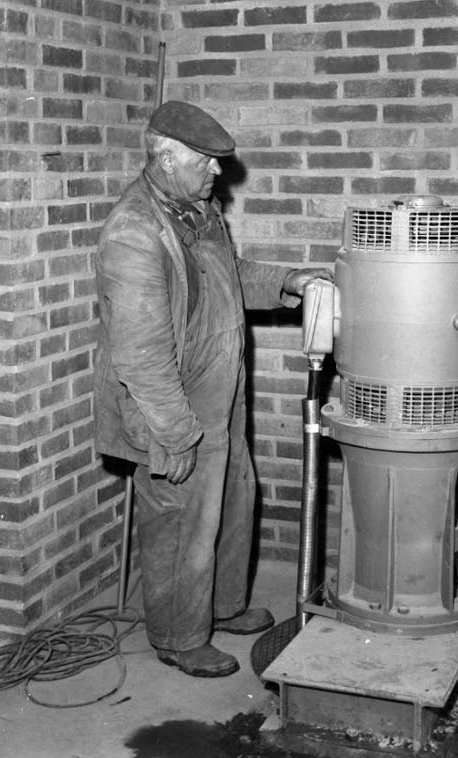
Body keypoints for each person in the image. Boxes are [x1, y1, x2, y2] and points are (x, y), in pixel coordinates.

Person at [94, 101, 333, 677]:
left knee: (230, 500)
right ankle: (178, 636)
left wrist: (288, 281)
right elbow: (142, 356)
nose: (218, 171)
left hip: (218, 390)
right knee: (182, 519)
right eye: (206, 160)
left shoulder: (198, 210)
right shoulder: (135, 233)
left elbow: (230, 274)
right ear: (166, 158)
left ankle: (223, 607)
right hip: (169, 402)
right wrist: (175, 435)